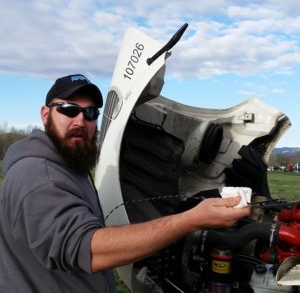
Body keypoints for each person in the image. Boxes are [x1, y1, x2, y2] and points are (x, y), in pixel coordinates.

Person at [0, 74, 250, 293]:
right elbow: (87, 248)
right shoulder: (38, 175)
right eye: (68, 109)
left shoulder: (67, 166)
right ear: (46, 115)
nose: (80, 121)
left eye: (90, 113)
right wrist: (192, 220)